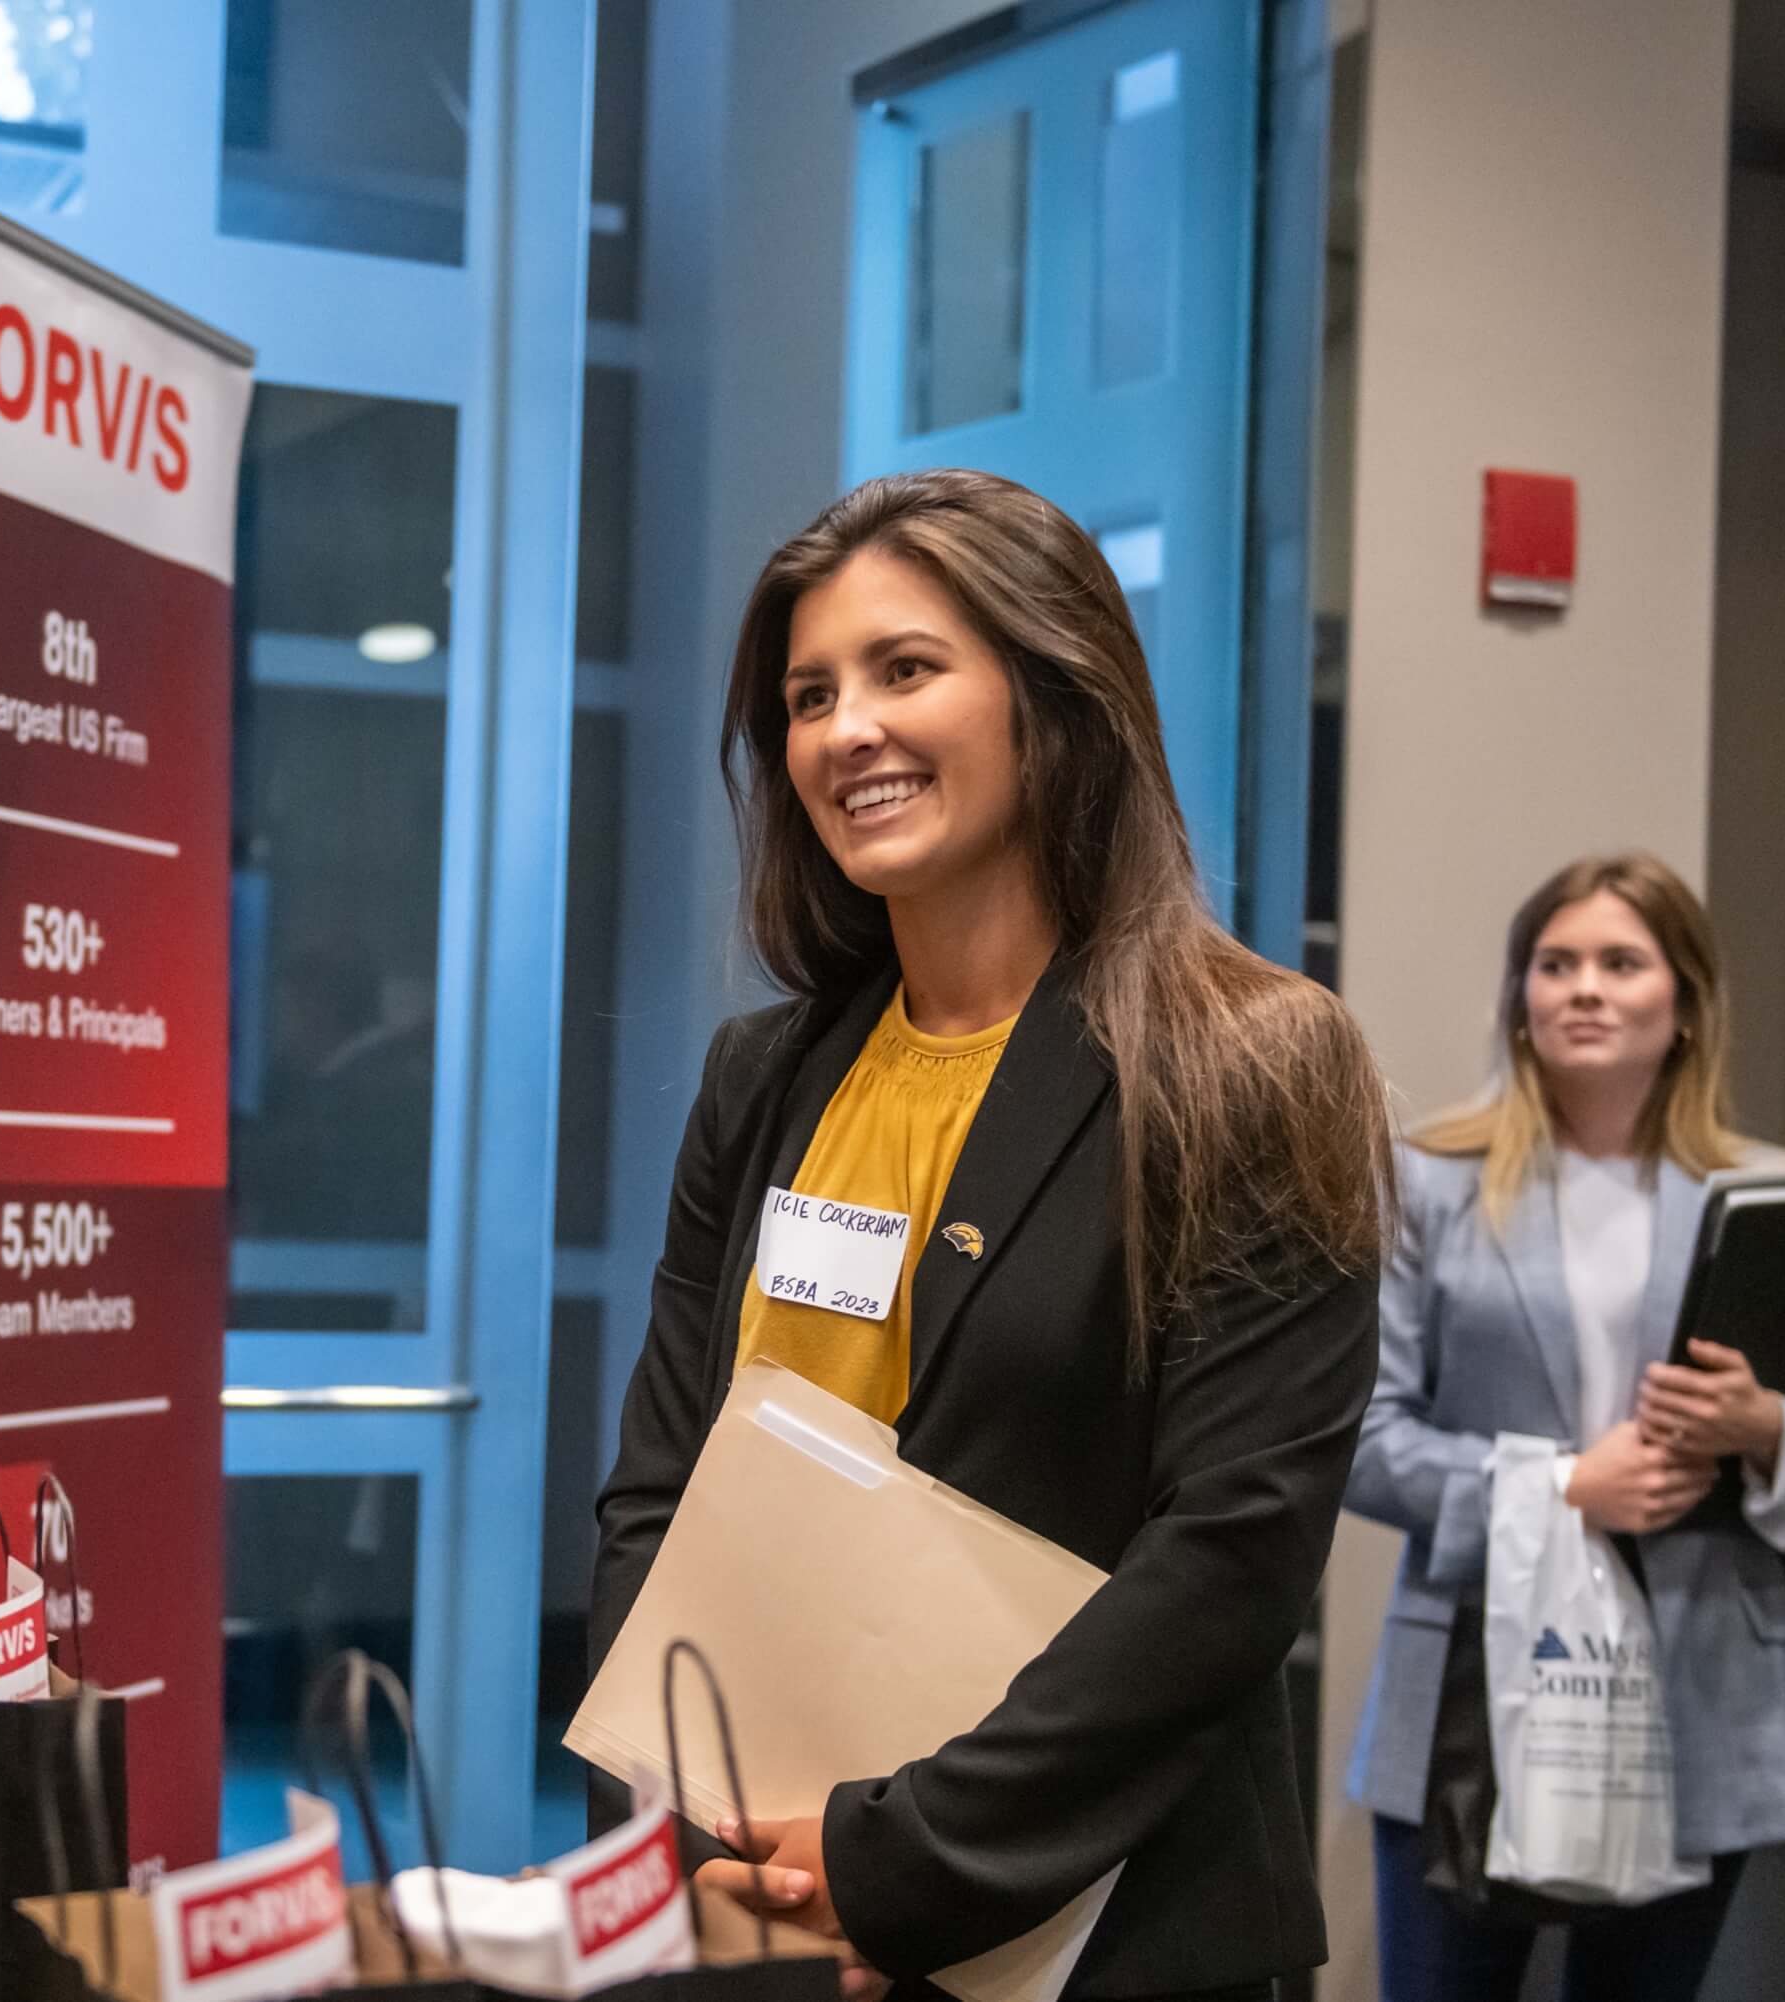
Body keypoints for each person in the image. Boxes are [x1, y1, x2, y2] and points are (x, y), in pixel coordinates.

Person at [591, 470, 1392, 2002]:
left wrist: (896, 1863)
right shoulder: (760, 1076)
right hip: (765, 1912)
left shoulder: (1246, 1061)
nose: (845, 732)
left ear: (1054, 692)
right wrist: (688, 1824)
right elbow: (660, 1485)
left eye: (904, 670)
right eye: (808, 695)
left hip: (1100, 1937)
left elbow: (1225, 1560)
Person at [1342, 854, 1785, 2002]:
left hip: (1702, 1693)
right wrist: (1557, 1486)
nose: (1582, 988)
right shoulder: (1423, 1184)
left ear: (1684, 1004)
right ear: (1521, 1001)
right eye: (1554, 964)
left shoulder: (1778, 1199)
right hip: (1469, 1683)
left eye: (1618, 962)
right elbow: (1358, 1438)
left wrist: (1761, 1428)